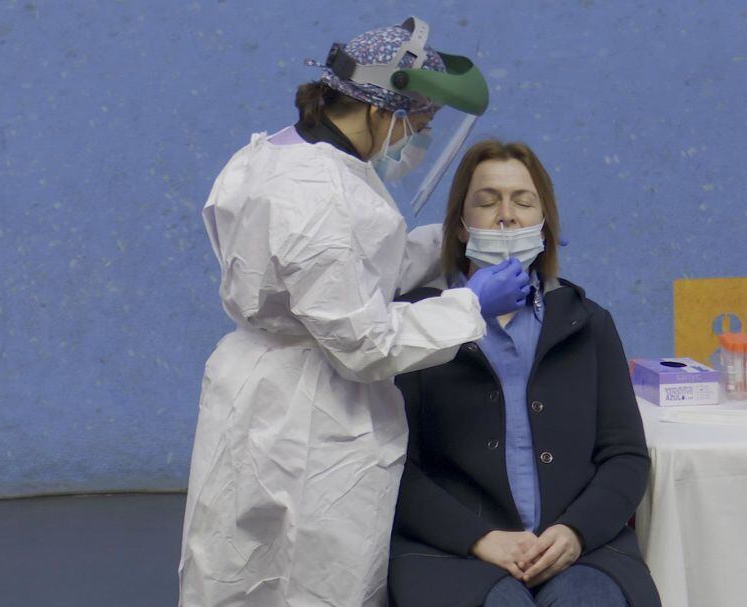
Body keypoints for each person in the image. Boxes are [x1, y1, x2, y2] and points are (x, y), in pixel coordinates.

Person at [178, 19, 532, 607]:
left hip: (260, 391)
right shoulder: (318, 193)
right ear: (380, 107)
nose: (418, 138)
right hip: (311, 412)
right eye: (421, 122)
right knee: (315, 577)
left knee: (236, 566)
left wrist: (451, 242)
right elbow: (365, 341)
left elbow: (343, 276)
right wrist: (471, 304)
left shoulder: (278, 157)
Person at [387, 140, 661, 607]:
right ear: (458, 227)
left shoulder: (589, 323)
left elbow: (626, 456)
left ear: (544, 224)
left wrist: (574, 532)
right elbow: (394, 466)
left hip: (582, 551)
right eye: (487, 200)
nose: (506, 216)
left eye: (523, 201)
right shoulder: (415, 326)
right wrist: (479, 538)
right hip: (450, 552)